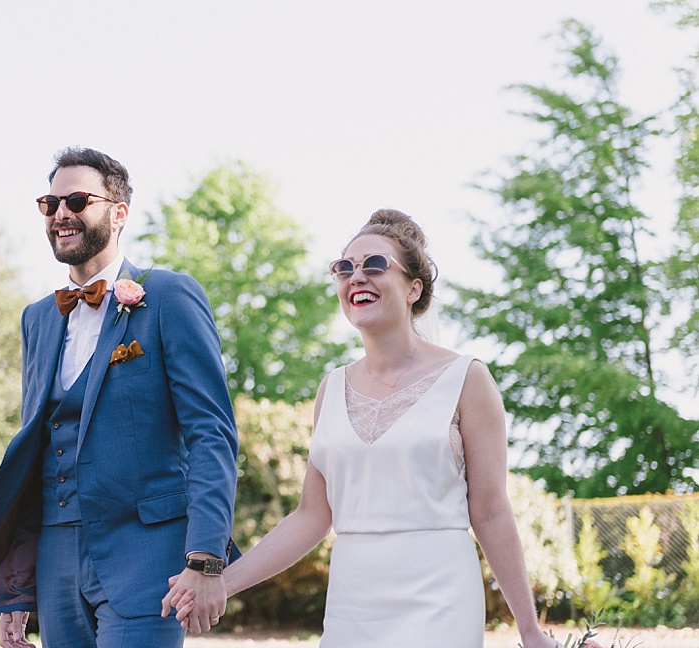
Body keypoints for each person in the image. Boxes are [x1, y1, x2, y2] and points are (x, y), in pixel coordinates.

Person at [163, 209, 562, 648]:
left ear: (414, 288)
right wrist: (220, 582)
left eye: (374, 265)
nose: (357, 277)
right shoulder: (331, 388)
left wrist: (530, 630)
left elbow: (490, 511)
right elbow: (312, 516)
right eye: (344, 268)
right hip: (352, 603)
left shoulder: (467, 378)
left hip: (441, 596)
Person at [0, 147, 239, 648]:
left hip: (148, 557)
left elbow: (211, 432)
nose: (61, 213)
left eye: (77, 201)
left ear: (118, 213)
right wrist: (18, 587)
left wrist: (206, 558)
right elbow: (35, 455)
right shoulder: (37, 318)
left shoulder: (168, 297)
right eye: (50, 204)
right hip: (55, 563)